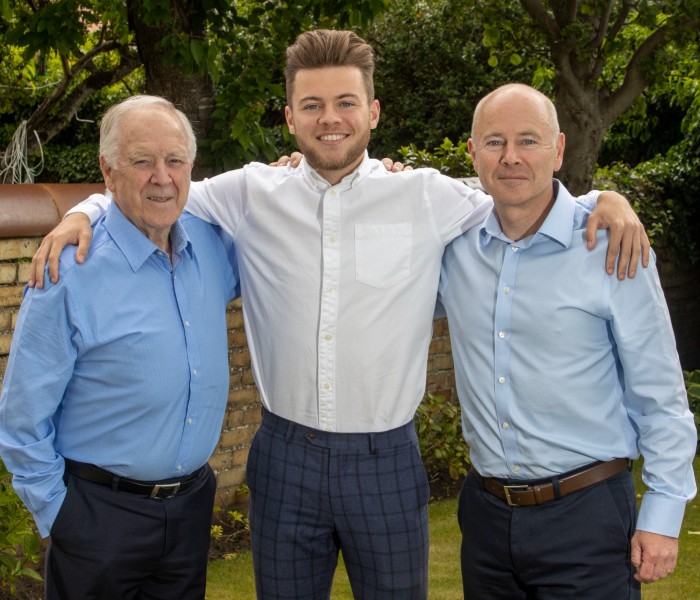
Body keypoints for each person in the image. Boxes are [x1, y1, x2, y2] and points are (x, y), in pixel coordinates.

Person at [28, 32, 648, 600]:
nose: (331, 118)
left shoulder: (428, 196)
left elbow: (522, 189)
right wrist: (83, 211)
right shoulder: (248, 193)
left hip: (387, 461)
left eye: (346, 102)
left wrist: (606, 200)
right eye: (314, 104)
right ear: (290, 116)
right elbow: (154, 186)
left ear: (373, 112)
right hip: (284, 456)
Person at [438, 83, 697, 599]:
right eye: (493, 142)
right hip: (485, 521)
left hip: (589, 517)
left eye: (528, 141)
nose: (510, 157)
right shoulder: (450, 242)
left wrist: (664, 513)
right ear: (472, 153)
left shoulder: (611, 247)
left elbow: (660, 393)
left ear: (558, 150)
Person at [0, 95, 240, 600]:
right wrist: (58, 515)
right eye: (141, 161)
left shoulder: (214, 248)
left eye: (175, 161)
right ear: (107, 172)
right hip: (98, 520)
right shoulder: (66, 272)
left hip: (192, 510)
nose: (162, 176)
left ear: (191, 169)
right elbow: (22, 416)